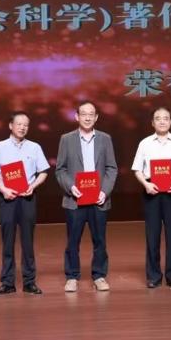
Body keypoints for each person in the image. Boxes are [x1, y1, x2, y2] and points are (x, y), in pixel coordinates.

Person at [0, 111, 50, 296]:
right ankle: (7, 282)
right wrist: (3, 189)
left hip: (27, 198)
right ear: (10, 126)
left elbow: (43, 172)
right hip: (7, 198)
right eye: (19, 124)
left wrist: (33, 186)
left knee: (28, 241)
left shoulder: (34, 147)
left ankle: (29, 282)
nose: (22, 127)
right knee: (8, 241)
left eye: (26, 125)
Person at [55, 100, 118, 292]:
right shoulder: (66, 139)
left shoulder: (105, 138)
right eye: (84, 114)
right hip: (75, 199)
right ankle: (71, 276)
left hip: (99, 199)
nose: (88, 118)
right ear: (77, 117)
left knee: (100, 241)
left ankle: (99, 276)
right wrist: (71, 187)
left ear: (96, 117)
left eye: (91, 114)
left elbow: (111, 168)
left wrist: (104, 191)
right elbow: (60, 169)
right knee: (73, 241)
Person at [131, 107, 171, 289]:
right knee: (152, 235)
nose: (162, 121)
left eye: (166, 118)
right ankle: (153, 276)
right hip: (152, 192)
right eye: (158, 118)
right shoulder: (145, 143)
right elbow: (137, 169)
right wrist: (146, 184)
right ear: (152, 122)